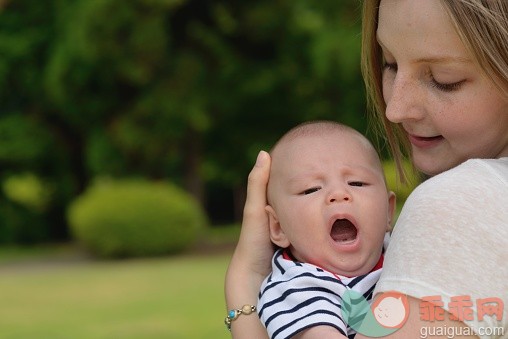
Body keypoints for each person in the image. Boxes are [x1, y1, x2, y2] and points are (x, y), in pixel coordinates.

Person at [225, 0, 508, 338]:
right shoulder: (304, 289)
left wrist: (246, 284)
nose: (395, 110)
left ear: (389, 208)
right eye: (389, 63)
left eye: (444, 79)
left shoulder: (460, 204)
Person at [257, 121, 396, 339]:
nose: (339, 193)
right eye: (311, 189)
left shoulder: (406, 249)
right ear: (278, 227)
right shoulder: (295, 288)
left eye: (357, 183)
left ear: (389, 211)